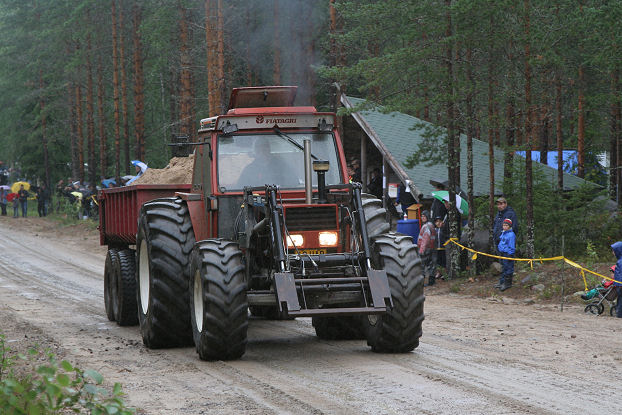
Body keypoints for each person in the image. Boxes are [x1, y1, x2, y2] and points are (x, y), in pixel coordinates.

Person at [417, 210, 437, 286]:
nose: (422, 218)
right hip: (432, 248)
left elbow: (426, 238)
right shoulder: (431, 225)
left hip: (426, 249)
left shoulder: (426, 226)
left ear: (427, 217)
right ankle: (432, 281)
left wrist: (422, 250)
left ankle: (421, 283)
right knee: (431, 265)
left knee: (422, 265)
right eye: (421, 216)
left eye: (424, 216)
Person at [496, 218, 516, 291]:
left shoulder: (511, 235)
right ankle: (502, 282)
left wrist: (510, 254)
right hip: (502, 253)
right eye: (503, 225)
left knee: (508, 268)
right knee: (503, 267)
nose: (504, 226)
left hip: (508, 254)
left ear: (509, 226)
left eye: (506, 225)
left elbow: (511, 245)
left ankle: (507, 283)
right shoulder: (503, 232)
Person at [612, 241, 622, 318]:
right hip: (619, 284)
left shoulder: (620, 262)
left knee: (620, 300)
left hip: (620, 285)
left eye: (614, 251)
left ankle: (619, 315)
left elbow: (620, 274)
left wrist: (619, 284)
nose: (613, 253)